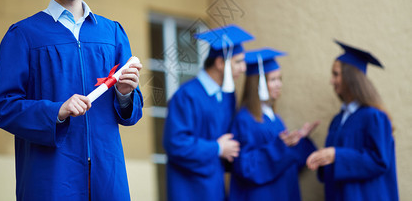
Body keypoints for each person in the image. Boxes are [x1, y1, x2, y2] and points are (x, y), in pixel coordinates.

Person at [0, 0, 143, 201]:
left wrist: (124, 93)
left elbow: (131, 113)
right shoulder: (24, 35)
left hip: (106, 174)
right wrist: (56, 111)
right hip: (50, 176)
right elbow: (4, 106)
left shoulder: (112, 33)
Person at [163, 24, 254, 201]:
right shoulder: (187, 95)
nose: (243, 68)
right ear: (220, 63)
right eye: (238, 62)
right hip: (189, 188)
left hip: (215, 185)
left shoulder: (227, 95)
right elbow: (175, 143)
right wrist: (217, 148)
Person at [306, 40, 399, 201]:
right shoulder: (338, 119)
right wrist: (323, 158)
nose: (331, 81)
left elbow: (379, 161)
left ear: (351, 78)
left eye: (335, 74)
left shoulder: (374, 116)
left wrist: (336, 155)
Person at [229, 48, 318, 201]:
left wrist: (299, 140)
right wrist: (280, 147)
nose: (279, 85)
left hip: (281, 191)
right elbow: (245, 167)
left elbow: (286, 160)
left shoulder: (274, 118)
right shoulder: (245, 120)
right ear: (257, 83)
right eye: (273, 80)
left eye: (280, 79)